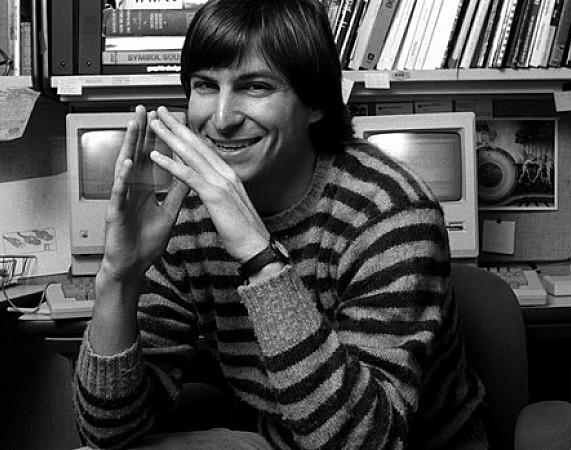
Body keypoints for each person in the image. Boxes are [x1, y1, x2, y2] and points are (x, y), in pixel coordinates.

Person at [73, 0, 486, 448]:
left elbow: (367, 441)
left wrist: (260, 257)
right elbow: (107, 431)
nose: (222, 119)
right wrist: (118, 278)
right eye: (205, 85)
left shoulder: (389, 211)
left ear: (315, 103)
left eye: (255, 86)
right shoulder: (186, 212)